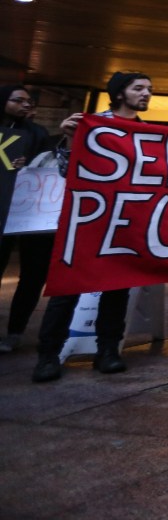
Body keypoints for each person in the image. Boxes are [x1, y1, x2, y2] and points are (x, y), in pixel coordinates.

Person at [33, 71, 151, 382]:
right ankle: (48, 356)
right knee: (68, 287)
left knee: (117, 288)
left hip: (125, 223)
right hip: (86, 221)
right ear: (119, 93)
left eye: (148, 89)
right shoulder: (92, 124)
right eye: (138, 88)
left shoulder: (149, 133)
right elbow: (65, 171)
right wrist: (71, 139)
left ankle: (108, 351)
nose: (146, 94)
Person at [0, 84, 54, 353]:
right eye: (17, 100)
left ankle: (15, 331)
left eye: (29, 101)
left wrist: (29, 165)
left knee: (33, 275)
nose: (25, 105)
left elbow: (47, 167)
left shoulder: (38, 134)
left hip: (29, 215)